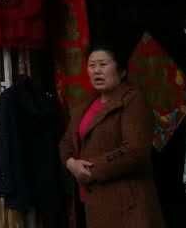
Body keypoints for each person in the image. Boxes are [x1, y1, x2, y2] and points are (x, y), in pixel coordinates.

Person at [58, 42, 164, 228]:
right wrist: (71, 163)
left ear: (121, 71)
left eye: (103, 64)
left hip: (127, 207)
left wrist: (90, 171)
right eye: (92, 65)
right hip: (94, 204)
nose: (96, 71)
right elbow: (66, 142)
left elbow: (135, 152)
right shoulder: (85, 105)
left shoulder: (132, 100)